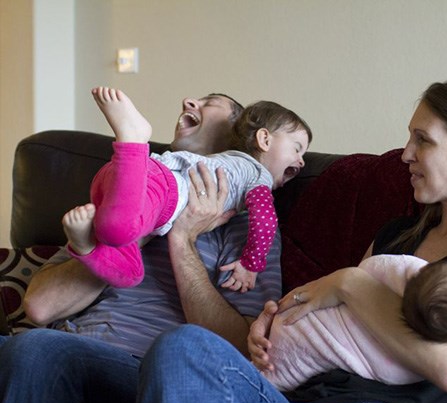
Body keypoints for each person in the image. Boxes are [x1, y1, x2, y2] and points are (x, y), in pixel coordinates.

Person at [135, 78, 447, 403]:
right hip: (298, 394)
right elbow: (337, 322)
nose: (406, 154)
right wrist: (277, 321)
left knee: (181, 349)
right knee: (80, 354)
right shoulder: (398, 234)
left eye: (423, 140)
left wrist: (349, 284)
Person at [0, 91, 284, 403]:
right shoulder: (132, 190)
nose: (189, 101)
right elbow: (40, 306)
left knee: (38, 350)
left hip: (155, 367)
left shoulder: (251, 230)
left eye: (211, 102)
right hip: (73, 348)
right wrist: (137, 228)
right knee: (30, 349)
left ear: (238, 131)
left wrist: (182, 238)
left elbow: (240, 347)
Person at [64, 87, 311, 291]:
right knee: (116, 230)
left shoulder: (229, 166)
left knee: (128, 273)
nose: (301, 161)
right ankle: (133, 139)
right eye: (297, 148)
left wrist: (86, 244)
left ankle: (86, 246)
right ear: (264, 140)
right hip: (162, 186)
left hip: (127, 183)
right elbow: (265, 220)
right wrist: (251, 264)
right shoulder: (258, 177)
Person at [265, 255, 447, 390]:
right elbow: (325, 293)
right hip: (290, 369)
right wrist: (264, 321)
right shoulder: (407, 372)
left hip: (341, 395)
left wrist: (349, 282)